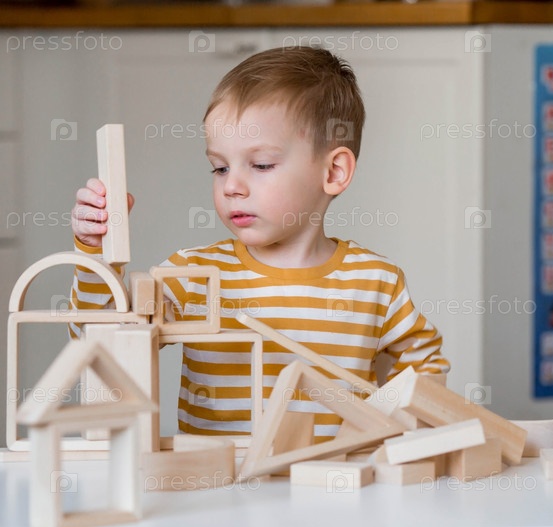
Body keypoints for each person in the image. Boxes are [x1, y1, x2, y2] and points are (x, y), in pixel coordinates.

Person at [69, 46, 449, 442]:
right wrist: (95, 251)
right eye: (220, 167)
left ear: (334, 171)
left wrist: (395, 439)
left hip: (334, 475)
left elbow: (426, 375)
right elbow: (101, 343)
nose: (231, 186)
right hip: (219, 477)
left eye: (261, 164)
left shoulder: (376, 283)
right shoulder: (193, 276)